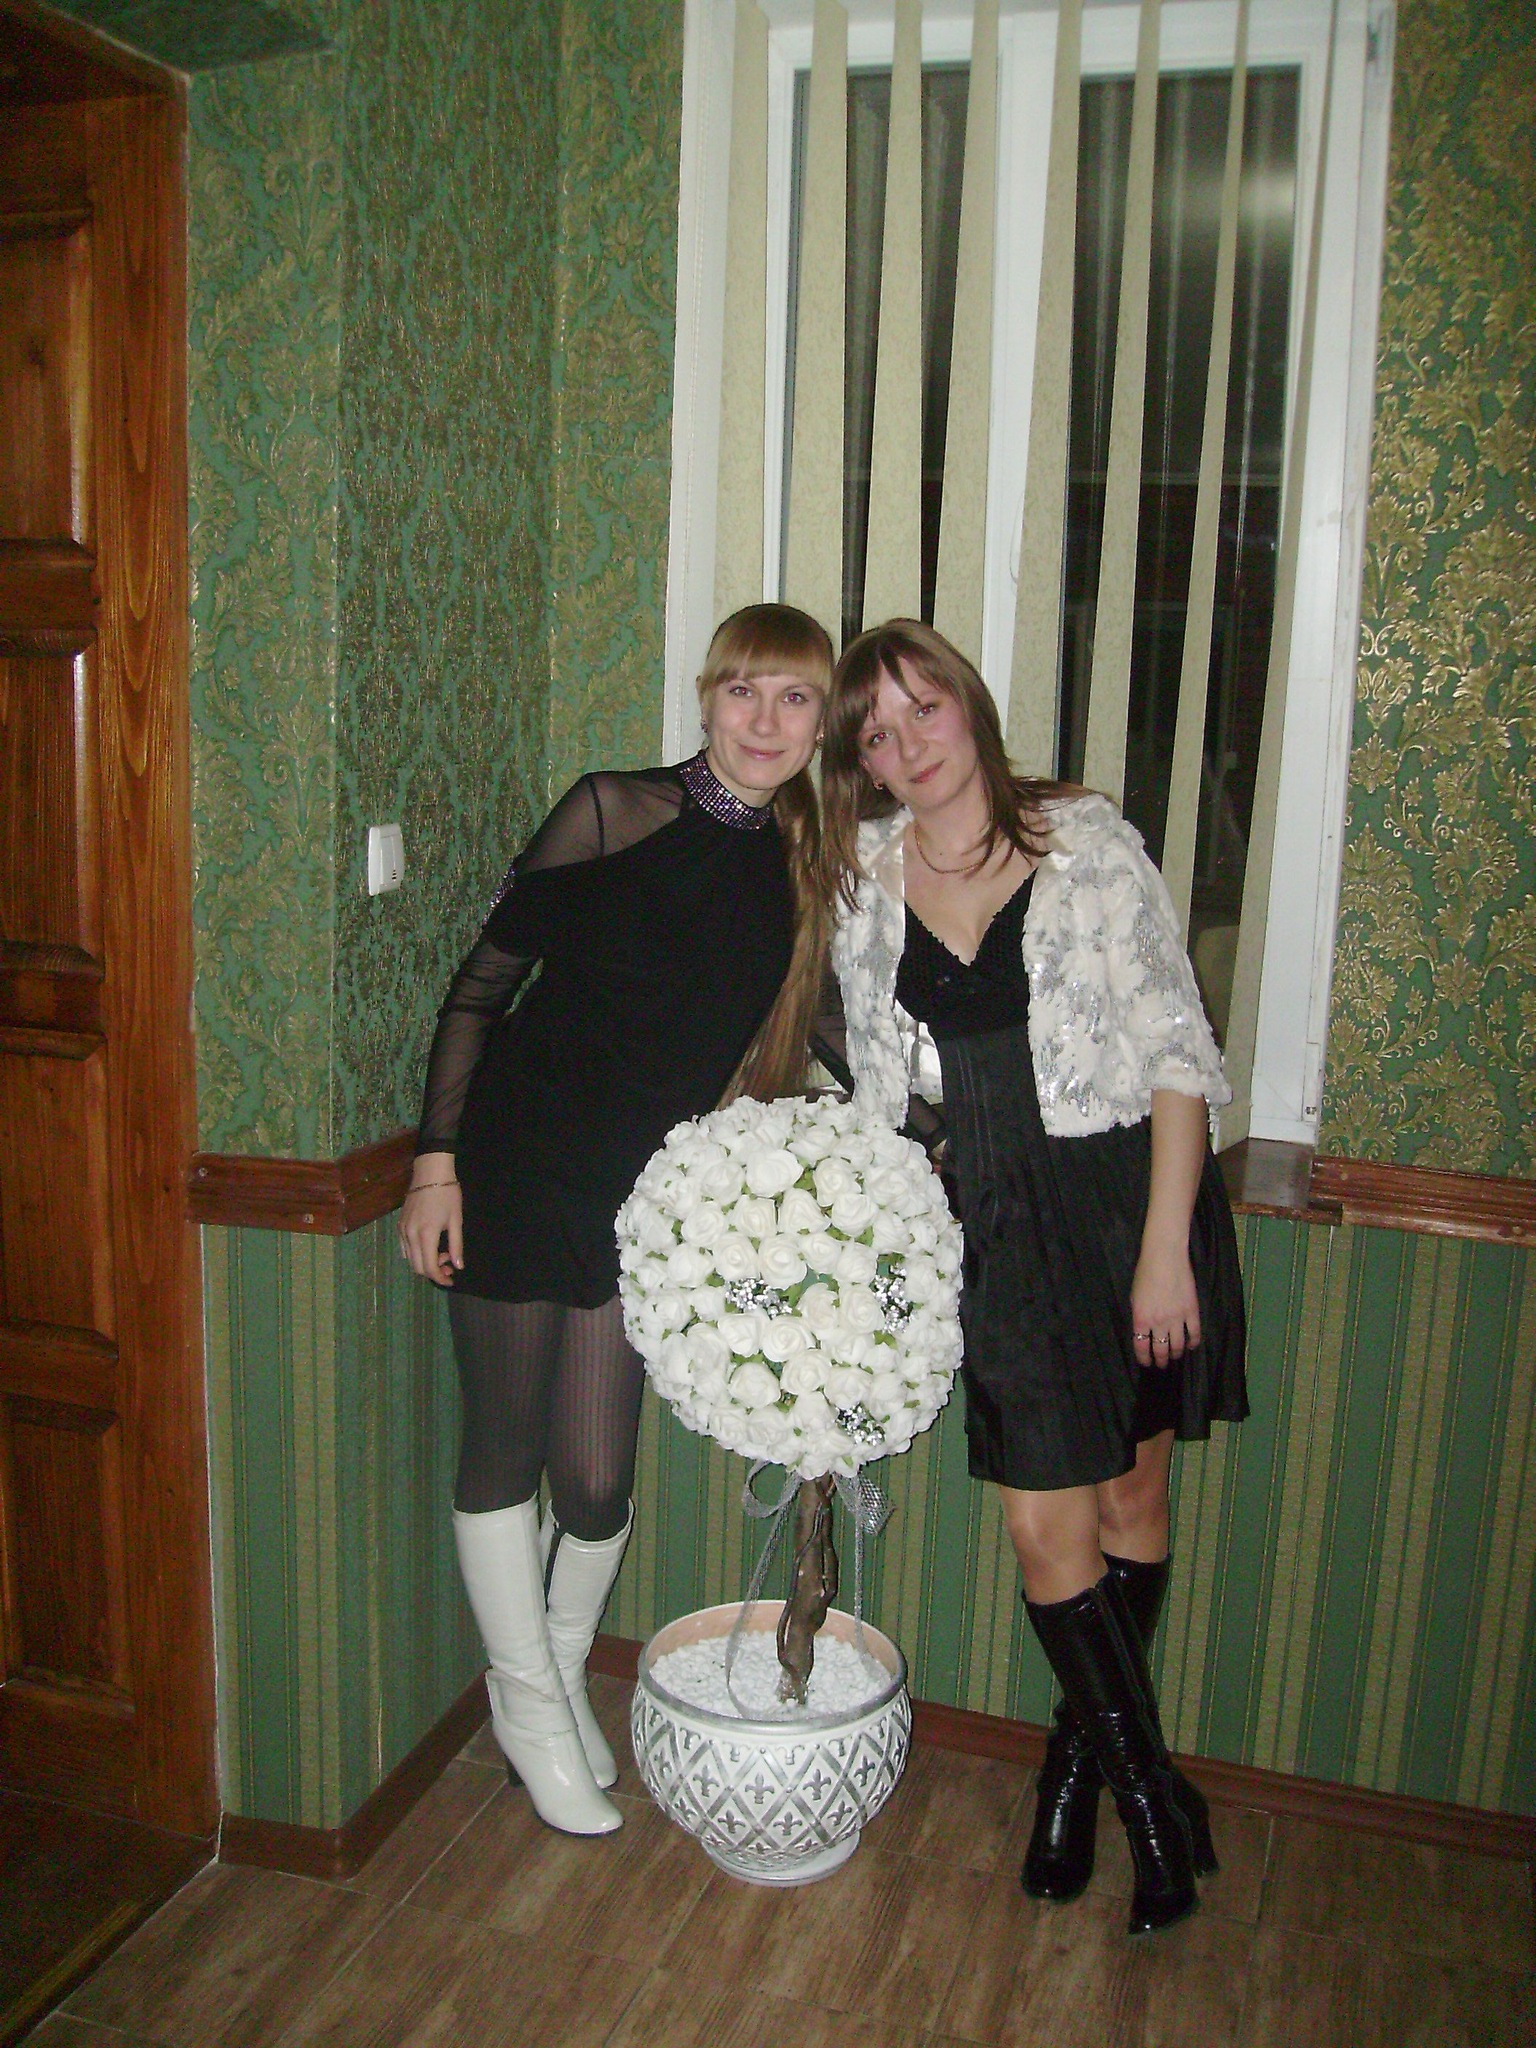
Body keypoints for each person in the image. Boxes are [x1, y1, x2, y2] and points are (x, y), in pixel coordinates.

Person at [816, 620, 1247, 1934]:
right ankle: (1157, 1812)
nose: (907, 746)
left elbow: (1177, 1046)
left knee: (1130, 1493)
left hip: (1128, 1203)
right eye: (877, 733)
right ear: (863, 762)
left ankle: (1075, 1772)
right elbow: (878, 1088)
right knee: (1042, 1526)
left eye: (923, 709)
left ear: (970, 705)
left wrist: (1165, 1250)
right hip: (992, 1225)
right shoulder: (864, 880)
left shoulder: (1086, 841)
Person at [400, 604, 832, 1836]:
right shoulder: (610, 808)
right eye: (744, 690)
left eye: (794, 698)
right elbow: (480, 991)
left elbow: (832, 1022)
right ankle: (533, 1704)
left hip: (644, 1195)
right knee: (504, 1446)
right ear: (706, 696)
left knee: (594, 1481)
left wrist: (936, 1136)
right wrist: (435, 1164)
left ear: (819, 723)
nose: (764, 721)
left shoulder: (803, 859)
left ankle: (549, 1664)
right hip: (521, 1158)